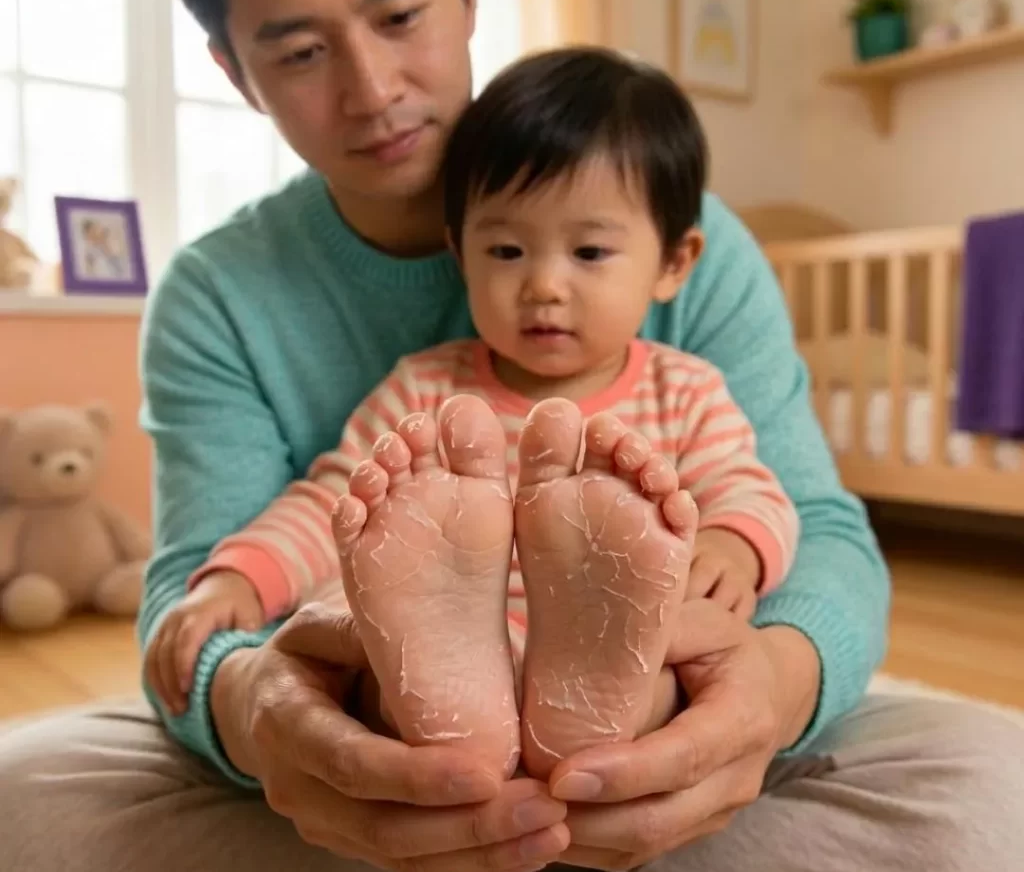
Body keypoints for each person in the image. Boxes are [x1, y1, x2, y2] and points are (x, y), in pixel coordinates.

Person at [0, 0, 1022, 872]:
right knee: (22, 798)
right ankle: (515, 802)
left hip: (653, 755)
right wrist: (244, 650)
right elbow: (303, 520)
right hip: (383, 773)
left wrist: (757, 655)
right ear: (234, 68)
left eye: (399, 14)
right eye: (302, 51)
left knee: (998, 789)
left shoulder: (670, 290)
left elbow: (794, 513)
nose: (372, 88)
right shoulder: (365, 362)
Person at [145, 47, 801, 783]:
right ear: (461, 254)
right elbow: (335, 504)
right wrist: (242, 579)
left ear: (675, 263)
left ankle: (590, 690)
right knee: (366, 676)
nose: (544, 285)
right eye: (508, 249)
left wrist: (731, 544)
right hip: (451, 672)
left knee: (670, 671)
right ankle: (445, 683)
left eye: (588, 251)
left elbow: (753, 490)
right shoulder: (427, 392)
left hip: (620, 656)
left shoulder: (686, 391)